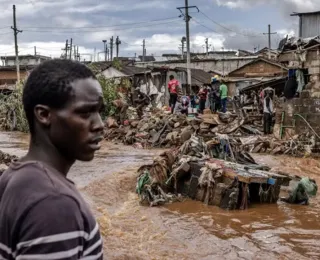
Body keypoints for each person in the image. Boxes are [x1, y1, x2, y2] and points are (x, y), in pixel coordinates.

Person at [0, 60, 104, 259]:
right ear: (44, 115)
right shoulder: (54, 203)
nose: (99, 124)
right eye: (85, 112)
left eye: (99, 111)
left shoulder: (13, 176)